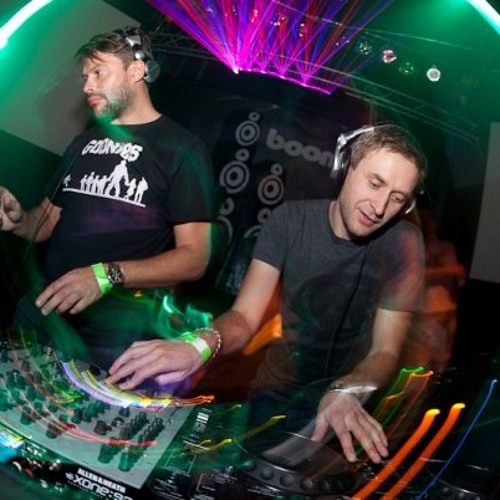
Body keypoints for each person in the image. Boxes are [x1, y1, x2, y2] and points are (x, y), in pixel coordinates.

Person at [107, 124, 427, 464]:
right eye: (375, 183)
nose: (379, 207)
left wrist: (350, 388)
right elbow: (245, 317)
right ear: (346, 166)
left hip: (348, 409)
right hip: (273, 397)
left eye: (397, 198)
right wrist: (198, 345)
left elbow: (386, 351)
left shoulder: (404, 243)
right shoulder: (288, 221)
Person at [0, 26, 214, 368]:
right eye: (85, 76)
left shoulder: (183, 150)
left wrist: (105, 274)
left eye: (98, 73)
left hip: (106, 342)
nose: (87, 85)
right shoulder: (83, 143)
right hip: (41, 317)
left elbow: (194, 258)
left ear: (137, 71)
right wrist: (18, 220)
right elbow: (46, 221)